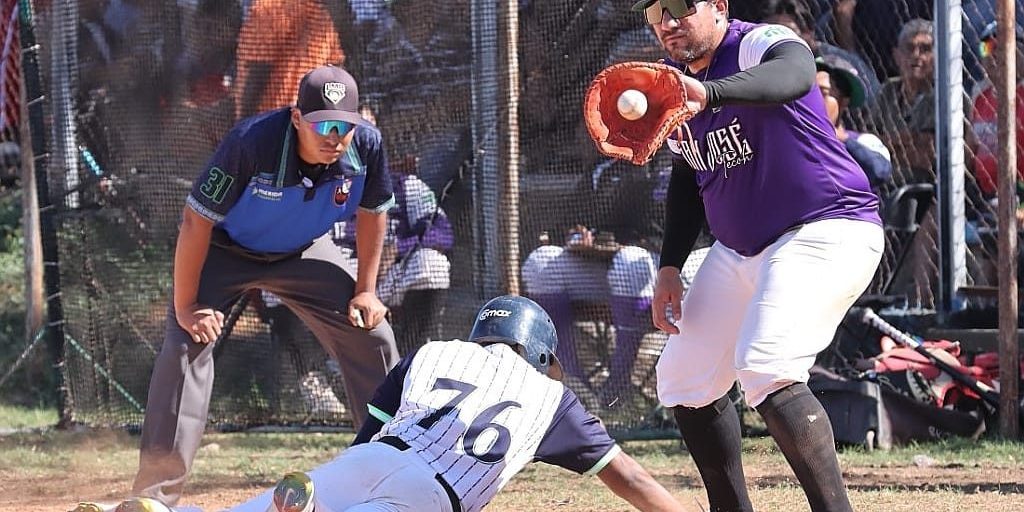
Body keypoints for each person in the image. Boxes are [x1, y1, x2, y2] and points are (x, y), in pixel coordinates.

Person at [635, 1, 884, 511]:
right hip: (741, 251)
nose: (667, 20)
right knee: (685, 379)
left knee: (766, 363)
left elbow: (796, 75)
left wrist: (709, 94)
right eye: (656, 11)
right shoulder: (677, 84)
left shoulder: (755, 42)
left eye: (681, 5)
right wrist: (668, 267)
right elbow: (687, 179)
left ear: (720, 6)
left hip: (827, 229)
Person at [129, 65, 400, 506]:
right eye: (323, 126)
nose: (335, 137)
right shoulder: (252, 142)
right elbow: (196, 220)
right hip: (225, 250)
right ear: (297, 119)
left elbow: (373, 213)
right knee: (185, 347)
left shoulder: (367, 146)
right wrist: (186, 307)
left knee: (373, 334)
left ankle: (393, 469)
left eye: (345, 126)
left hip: (303, 252)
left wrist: (366, 290)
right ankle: (155, 497)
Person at [227, 295, 695, 512]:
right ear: (538, 353)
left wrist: (343, 477)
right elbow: (631, 478)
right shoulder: (551, 397)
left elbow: (363, 443)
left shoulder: (430, 353)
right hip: (431, 493)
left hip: (374, 455)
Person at [233, 0, 344, 120]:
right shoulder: (322, 16)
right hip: (306, 123)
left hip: (268, 119)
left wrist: (242, 124)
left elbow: (257, 73)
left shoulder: (268, 8)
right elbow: (336, 71)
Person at [868, 18, 936, 184]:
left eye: (925, 49)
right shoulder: (888, 90)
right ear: (897, 56)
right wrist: (912, 139)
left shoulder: (945, 95)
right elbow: (868, 142)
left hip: (927, 187)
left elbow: (929, 156)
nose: (916, 56)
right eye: (909, 48)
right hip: (885, 182)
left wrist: (887, 144)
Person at [815, 54, 893, 194]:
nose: (813, 101)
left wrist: (841, 140)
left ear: (844, 100)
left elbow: (879, 171)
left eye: (823, 93)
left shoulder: (864, 142)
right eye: (809, 94)